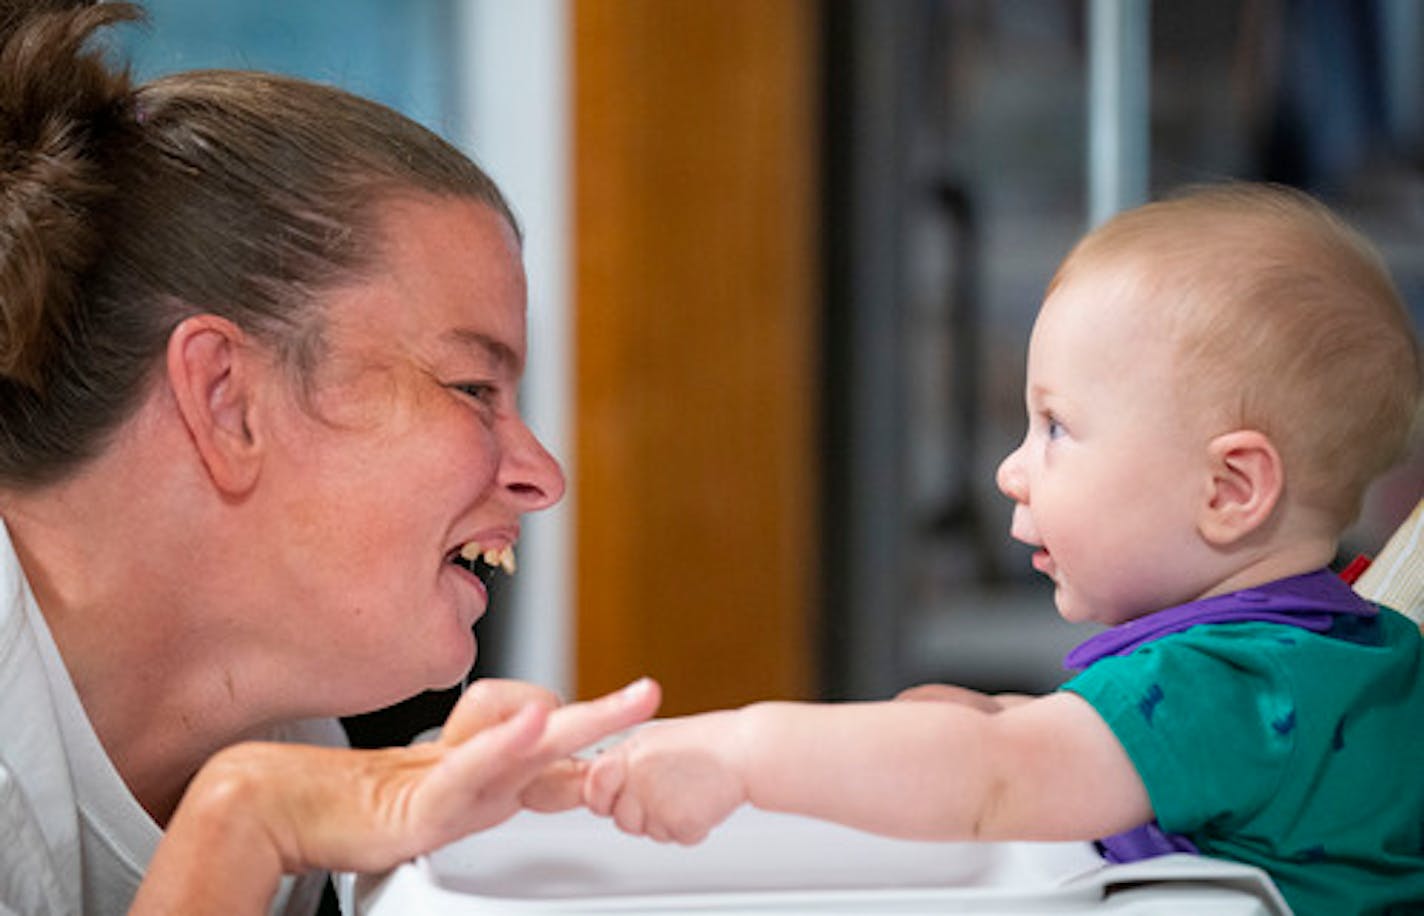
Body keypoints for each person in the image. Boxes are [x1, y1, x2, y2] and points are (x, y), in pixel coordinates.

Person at [579, 183, 1424, 915]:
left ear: (1229, 490)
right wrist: (998, 719)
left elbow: (994, 785)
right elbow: (1117, 765)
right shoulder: (1347, 658)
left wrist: (739, 755)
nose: (1012, 469)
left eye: (1057, 427)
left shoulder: (1226, 685)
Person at [0, 3, 661, 914]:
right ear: (227, 399)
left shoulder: (295, 742)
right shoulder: (262, 790)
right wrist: (242, 825)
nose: (542, 477)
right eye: (472, 387)